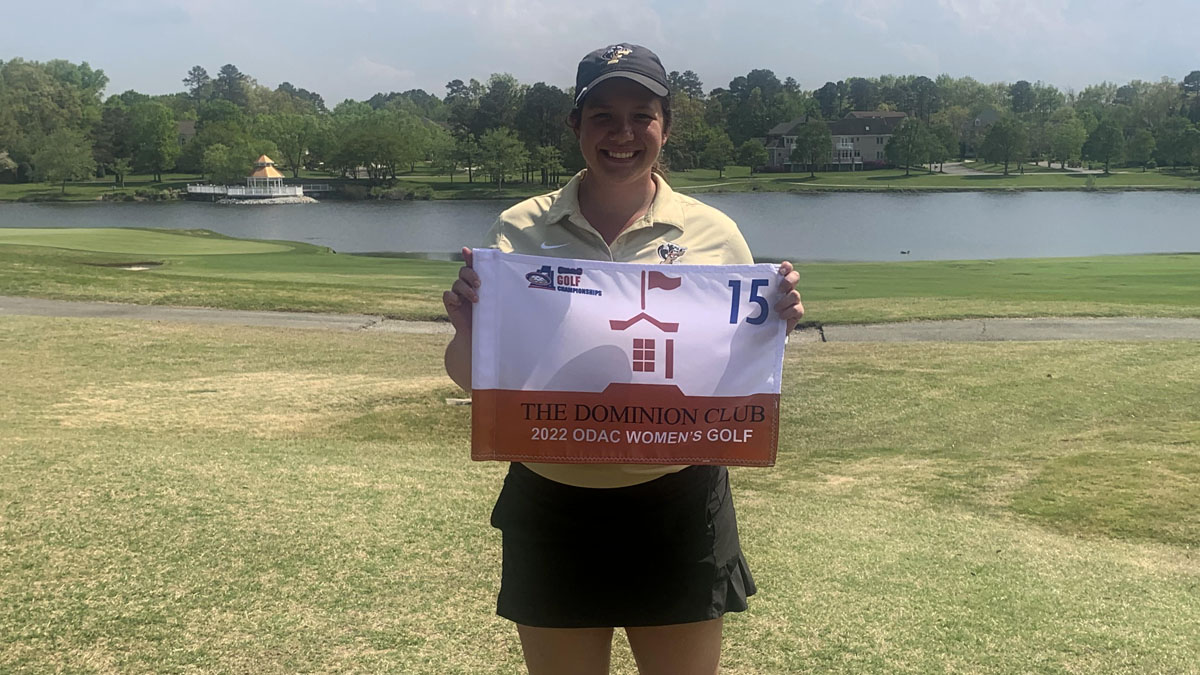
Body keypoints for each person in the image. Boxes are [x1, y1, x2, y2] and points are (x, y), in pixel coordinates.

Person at [443, 43, 804, 675]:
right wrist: (471, 329)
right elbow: (476, 377)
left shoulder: (714, 233)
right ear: (575, 125)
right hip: (553, 502)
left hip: (679, 504)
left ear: (666, 126)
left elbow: (731, 365)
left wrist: (773, 328)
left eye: (642, 115)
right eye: (603, 116)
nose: (623, 133)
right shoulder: (520, 230)